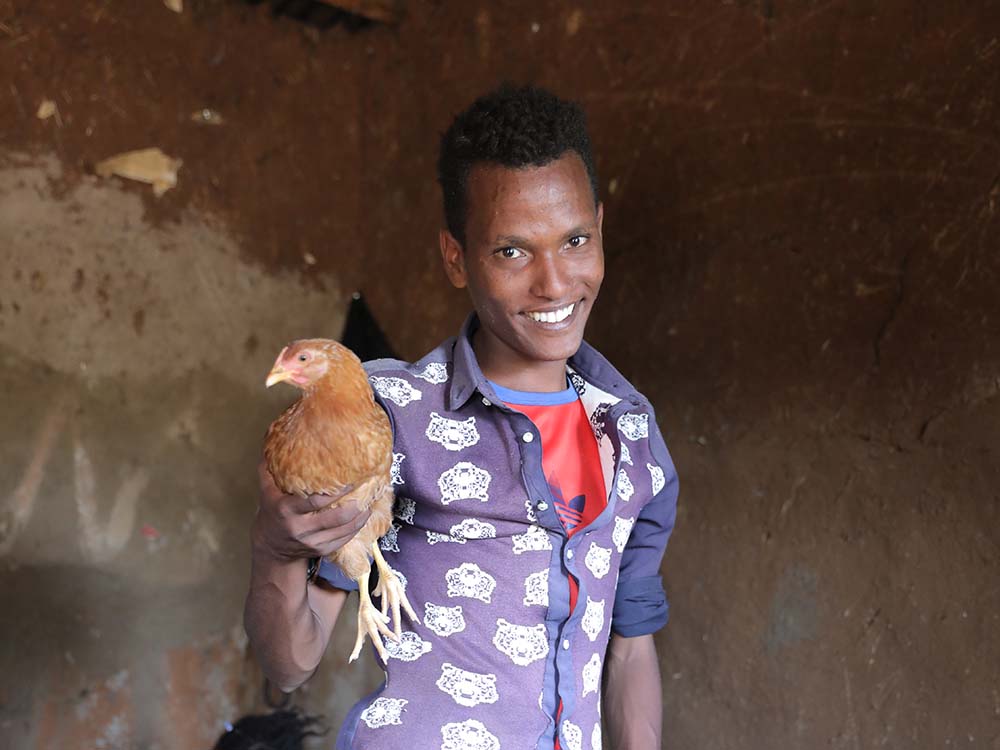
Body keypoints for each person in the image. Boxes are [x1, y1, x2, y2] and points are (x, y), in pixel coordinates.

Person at [244, 84, 679, 750]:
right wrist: (276, 551)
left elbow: (629, 650)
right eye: (512, 251)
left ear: (600, 228)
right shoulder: (390, 418)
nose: (554, 283)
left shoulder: (633, 435)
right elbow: (290, 662)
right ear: (456, 257)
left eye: (574, 241)